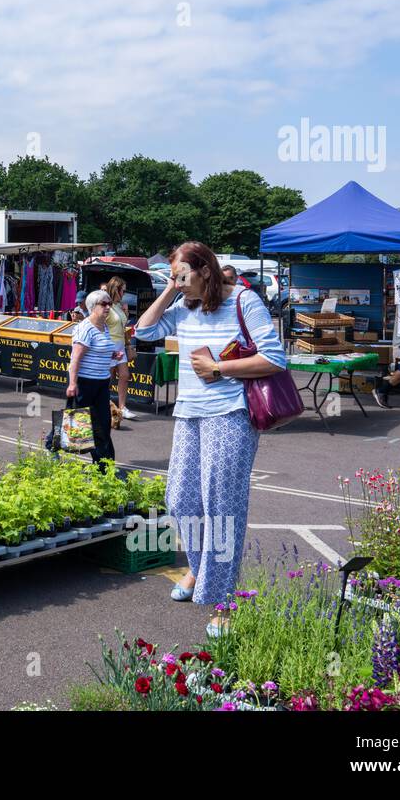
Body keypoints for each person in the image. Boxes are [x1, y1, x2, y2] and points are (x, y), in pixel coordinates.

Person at [136, 241, 286, 638]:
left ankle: (223, 601)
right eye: (174, 276)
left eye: (183, 275)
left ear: (204, 270)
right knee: (180, 498)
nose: (179, 283)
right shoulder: (183, 306)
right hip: (189, 414)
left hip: (231, 414)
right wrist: (170, 288)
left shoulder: (243, 301)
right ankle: (200, 569)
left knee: (221, 508)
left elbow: (274, 358)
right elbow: (145, 331)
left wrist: (219, 368)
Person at [66, 289, 123, 464]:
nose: (108, 307)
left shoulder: (104, 326)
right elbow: (75, 358)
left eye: (109, 304)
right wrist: (72, 383)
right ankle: (50, 445)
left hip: (101, 383)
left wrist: (112, 355)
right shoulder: (85, 328)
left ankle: (104, 465)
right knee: (76, 423)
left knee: (103, 424)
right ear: (92, 307)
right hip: (85, 383)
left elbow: (98, 350)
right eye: (103, 304)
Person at [104, 276, 138, 421]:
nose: (124, 293)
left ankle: (122, 407)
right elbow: (101, 327)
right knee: (108, 379)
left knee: (124, 375)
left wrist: (126, 314)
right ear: (115, 290)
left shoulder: (119, 305)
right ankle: (104, 406)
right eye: (122, 290)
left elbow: (123, 327)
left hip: (120, 345)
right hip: (110, 345)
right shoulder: (106, 306)